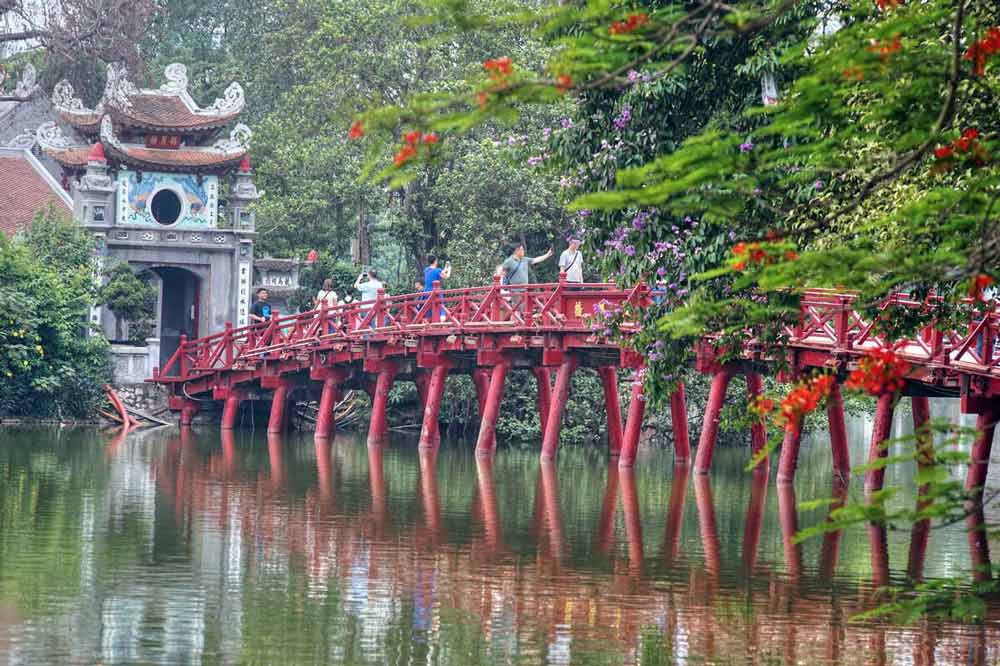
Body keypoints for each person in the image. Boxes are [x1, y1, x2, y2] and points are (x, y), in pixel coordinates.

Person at [423, 256, 452, 321]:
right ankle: (442, 319)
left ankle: (428, 321)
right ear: (435, 261)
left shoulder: (426, 270)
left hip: (426, 292)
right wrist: (449, 269)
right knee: (440, 305)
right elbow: (446, 276)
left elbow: (440, 272)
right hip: (435, 292)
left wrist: (446, 266)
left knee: (428, 308)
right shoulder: (437, 270)